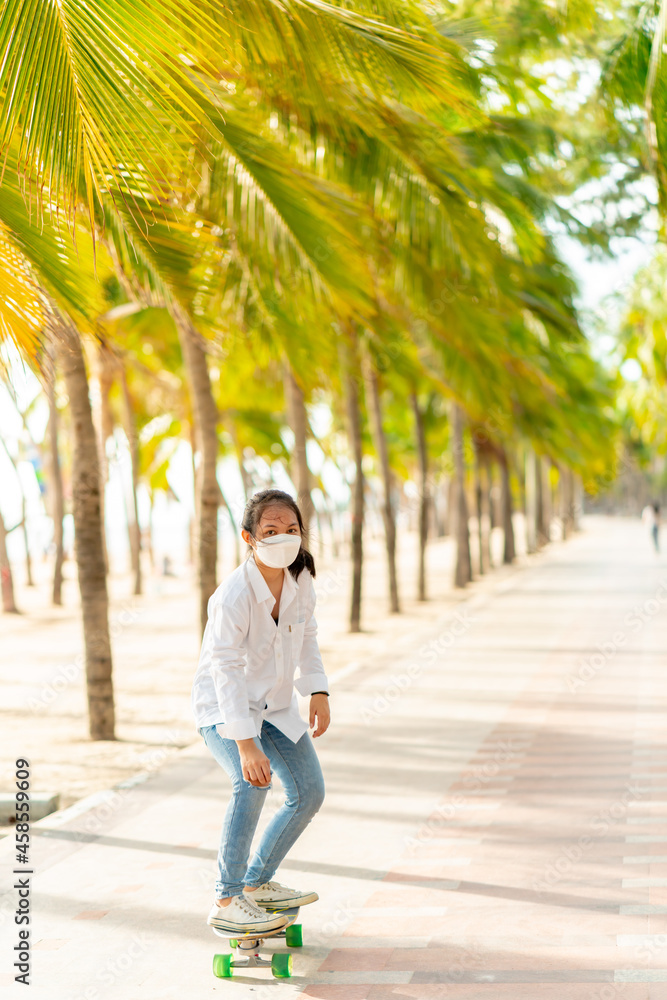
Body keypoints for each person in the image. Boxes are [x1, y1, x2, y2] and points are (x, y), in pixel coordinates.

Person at [191, 488, 330, 937]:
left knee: (308, 792)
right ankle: (228, 897)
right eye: (271, 531)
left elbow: (307, 635)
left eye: (292, 530)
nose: (284, 538)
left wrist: (318, 691)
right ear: (249, 538)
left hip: (277, 705)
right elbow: (225, 669)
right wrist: (245, 743)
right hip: (223, 708)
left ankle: (257, 882)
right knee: (251, 782)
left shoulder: (300, 579)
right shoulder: (232, 595)